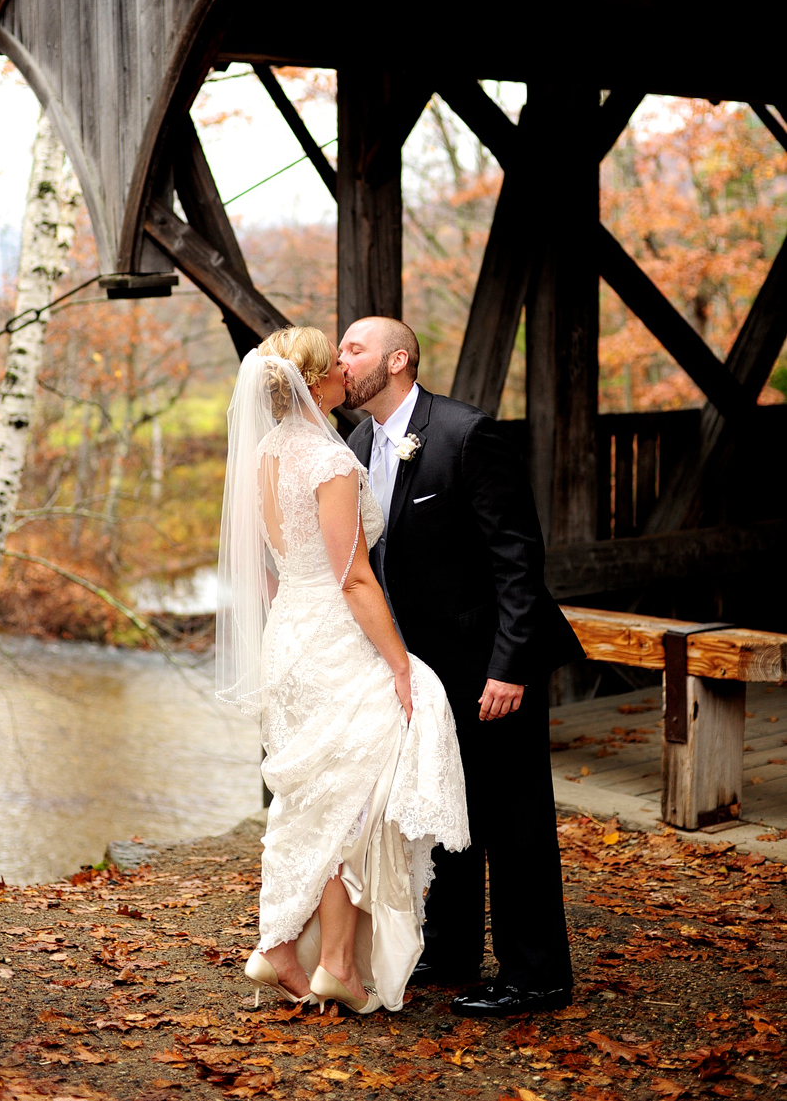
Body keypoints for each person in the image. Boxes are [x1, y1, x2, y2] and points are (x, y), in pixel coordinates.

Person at [215, 327, 468, 1016]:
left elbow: (268, 569)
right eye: (336, 367)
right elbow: (354, 578)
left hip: (290, 633)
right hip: (332, 632)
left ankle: (299, 950)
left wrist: (289, 633)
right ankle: (322, 957)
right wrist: (400, 666)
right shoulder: (330, 460)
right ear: (315, 382)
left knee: (330, 795)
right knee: (363, 782)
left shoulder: (264, 454)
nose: (345, 376)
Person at [339, 316, 585, 1018]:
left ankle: (537, 974)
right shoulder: (359, 443)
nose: (340, 358)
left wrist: (510, 665)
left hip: (491, 665)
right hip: (423, 672)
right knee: (443, 807)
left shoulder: (465, 433)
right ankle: (449, 950)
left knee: (515, 822)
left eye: (353, 347)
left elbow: (517, 558)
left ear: (399, 359)